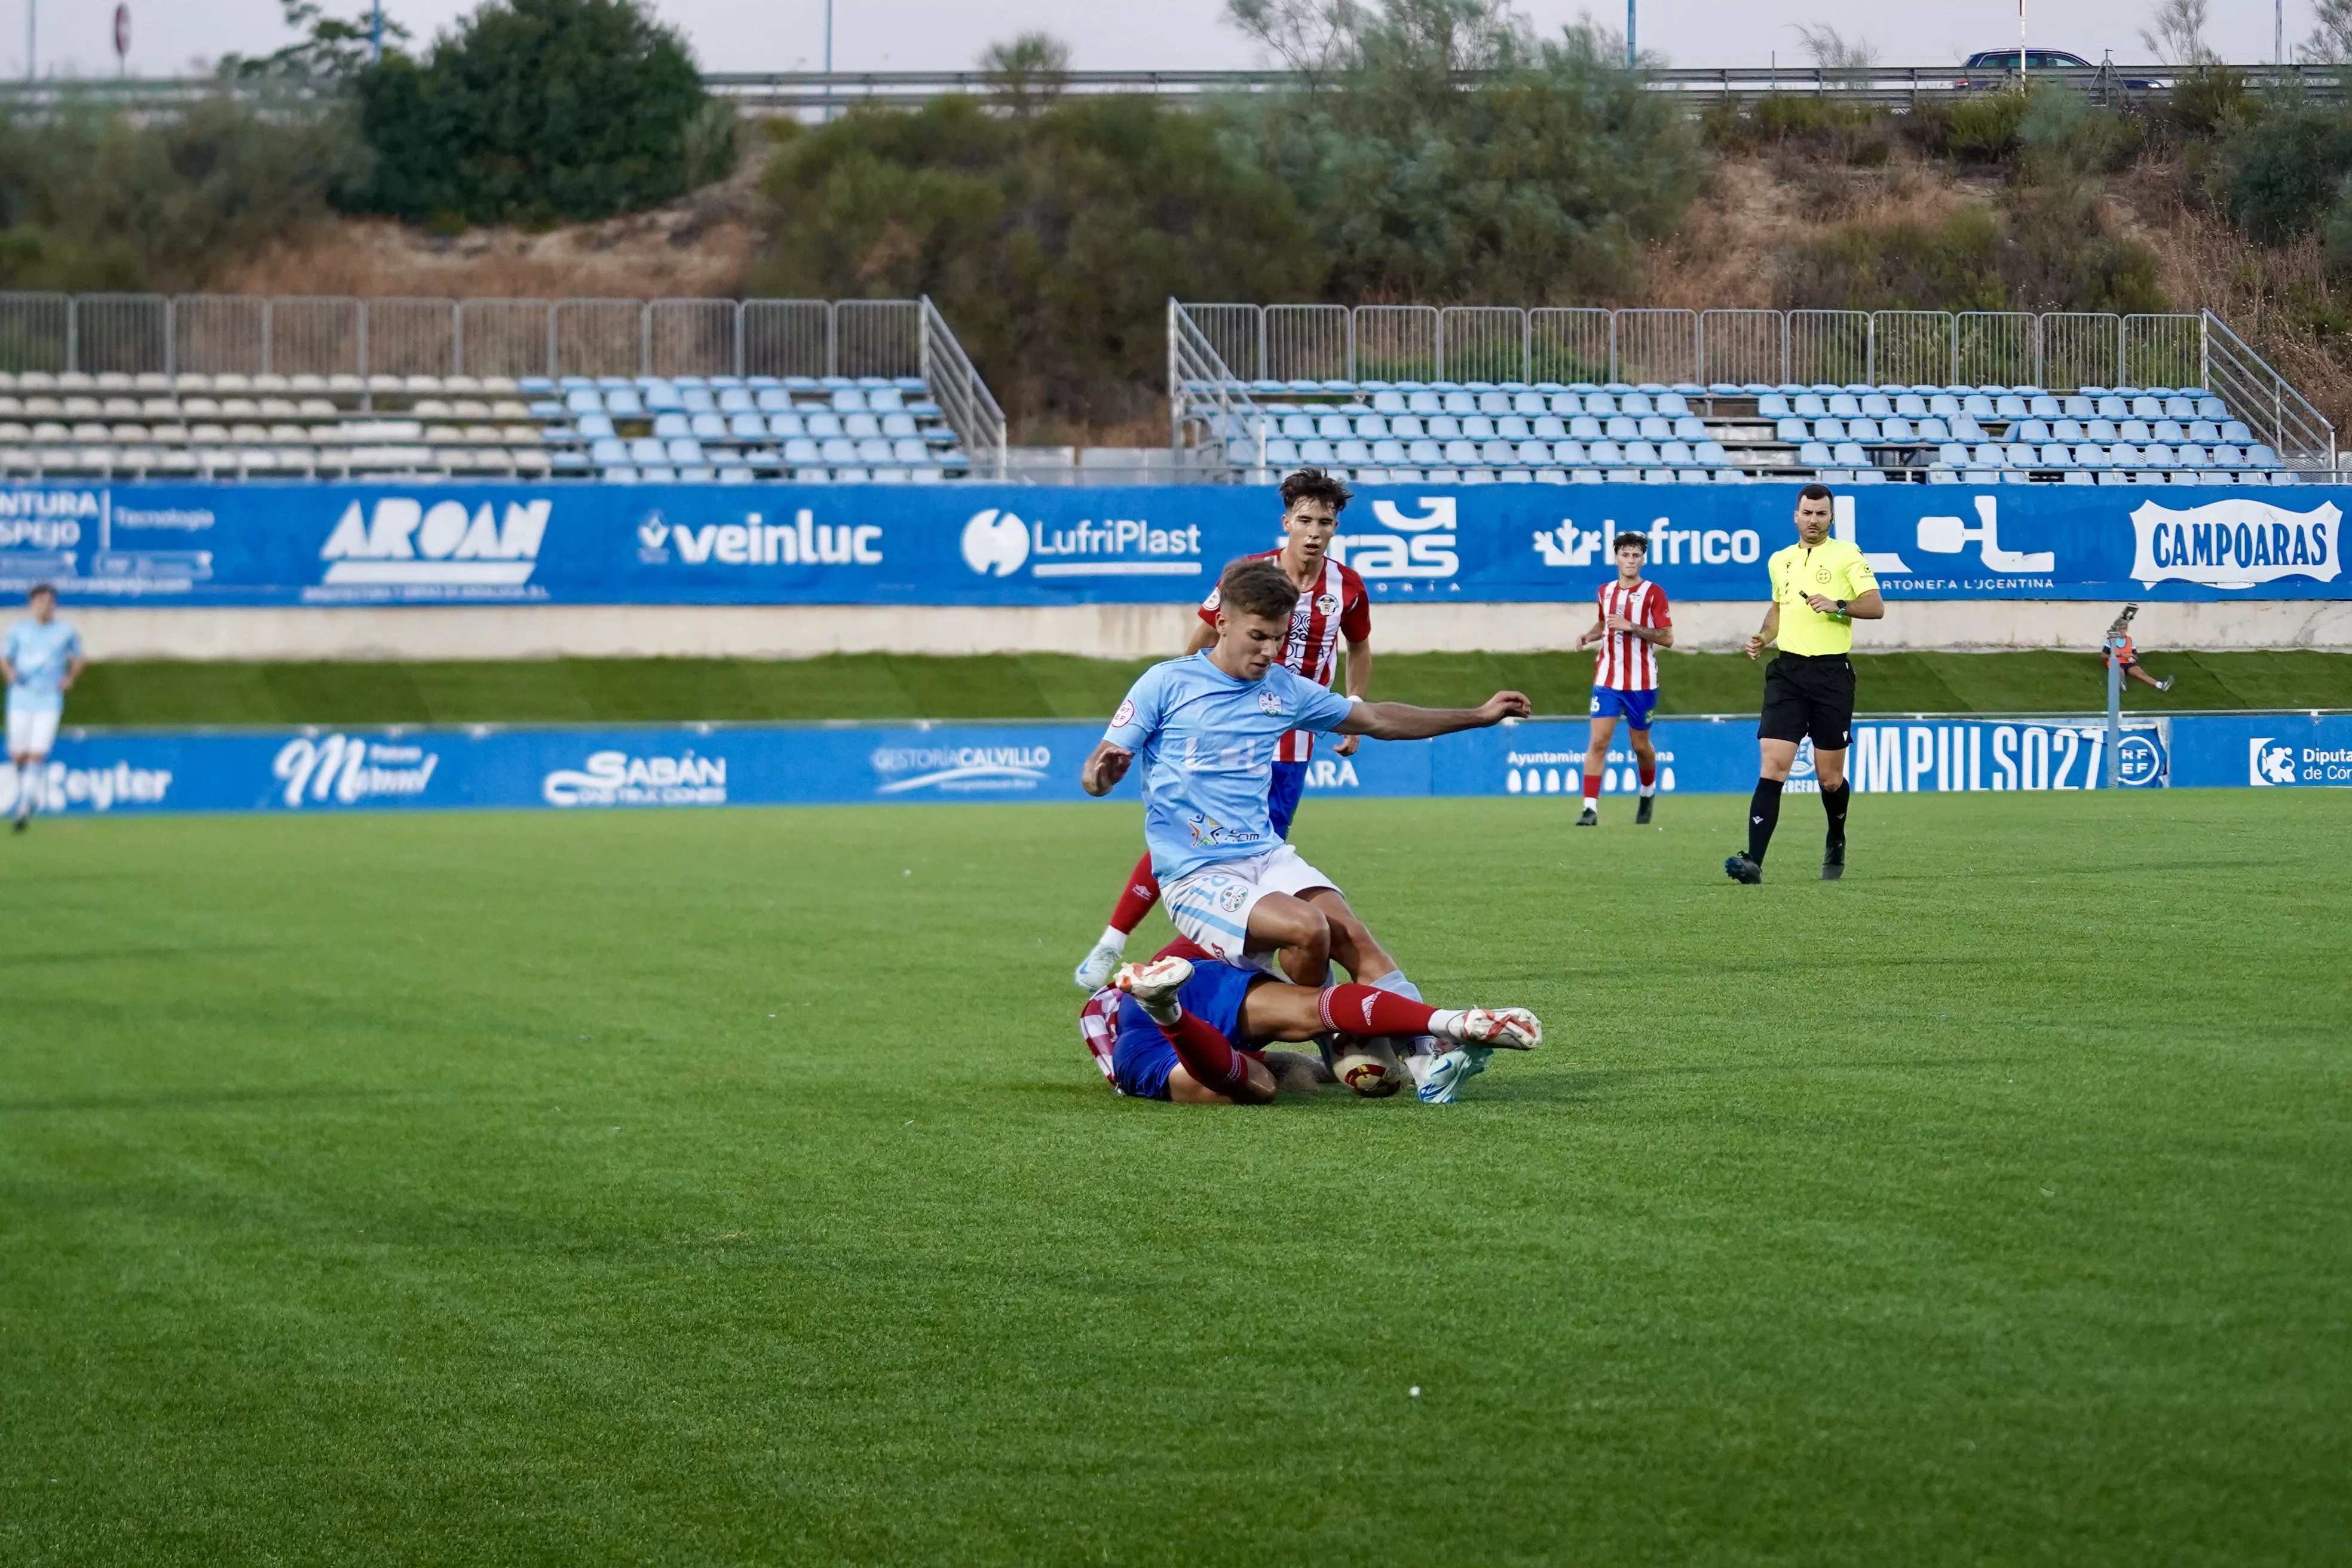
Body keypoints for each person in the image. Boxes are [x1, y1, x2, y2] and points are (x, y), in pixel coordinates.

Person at [1080, 556, 1530, 1098]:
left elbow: (1378, 719)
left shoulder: (1283, 690)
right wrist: (1100, 776)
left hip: (1265, 855)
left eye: (1277, 638)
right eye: (1258, 637)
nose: (1269, 651)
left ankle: (1426, 1060)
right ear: (1221, 620)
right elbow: (1099, 768)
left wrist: (1476, 715)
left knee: (1350, 934)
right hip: (1195, 874)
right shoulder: (1165, 684)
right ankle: (1335, 1035)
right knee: (1307, 926)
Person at [1073, 467, 1370, 990]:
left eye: (1326, 521)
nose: (1315, 530)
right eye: (1306, 519)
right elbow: (1206, 634)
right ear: (1287, 522)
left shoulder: (1347, 586)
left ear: (1336, 526)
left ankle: (1243, 956)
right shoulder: (1250, 576)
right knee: (1197, 836)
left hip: (1295, 732)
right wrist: (1180, 697)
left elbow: (1360, 645)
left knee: (1253, 849)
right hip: (1228, 723)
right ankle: (1113, 942)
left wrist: (1354, 708)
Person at [1080, 947, 1539, 1105]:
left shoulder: (1112, 1039)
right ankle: (1439, 1035)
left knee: (1267, 1076)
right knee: (1261, 1080)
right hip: (1156, 1035)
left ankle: (1444, 1034)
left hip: (1171, 1004)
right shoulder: (1122, 1045)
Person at [1725, 484, 1884, 884]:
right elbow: (1779, 608)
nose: (1814, 521)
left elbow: (1876, 606)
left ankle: (1836, 836)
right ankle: (1753, 861)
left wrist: (1839, 605)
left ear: (1831, 518)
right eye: (1807, 513)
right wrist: (1763, 637)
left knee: (1829, 778)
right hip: (1787, 674)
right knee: (1773, 767)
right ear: (1795, 516)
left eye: (1821, 514)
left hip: (1831, 676)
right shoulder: (1781, 561)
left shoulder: (1848, 555)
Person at [1573, 531, 1673, 827]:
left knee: (1640, 746)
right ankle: (1589, 809)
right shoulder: (1605, 591)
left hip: (1642, 683)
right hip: (1607, 680)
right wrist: (1590, 635)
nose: (1630, 561)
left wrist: (1632, 626)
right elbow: (1605, 622)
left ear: (1643, 560)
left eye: (1636, 556)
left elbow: (1667, 638)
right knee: (1598, 742)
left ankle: (1647, 793)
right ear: (1616, 558)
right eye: (1625, 555)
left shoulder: (1654, 593)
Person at [4, 584, 84, 834]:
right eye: (40, 601)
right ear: (32, 604)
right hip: (20, 698)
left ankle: (25, 804)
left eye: (49, 601)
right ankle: (29, 792)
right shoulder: (19, 630)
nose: (45, 606)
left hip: (49, 700)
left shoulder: (65, 631)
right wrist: (9, 674)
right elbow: (5, 658)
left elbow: (79, 657)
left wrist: (70, 678)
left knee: (37, 753)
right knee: (18, 755)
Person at [2102, 608, 2173, 692]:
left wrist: (2132, 656)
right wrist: (2115, 655)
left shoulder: (2130, 640)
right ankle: (2121, 685)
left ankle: (2160, 685)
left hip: (2128, 663)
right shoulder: (2111, 640)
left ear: (2127, 629)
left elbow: (2136, 656)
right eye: (2120, 629)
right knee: (2120, 672)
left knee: (2141, 674)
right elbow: (2102, 656)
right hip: (2116, 662)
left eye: (2124, 629)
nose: (2122, 631)